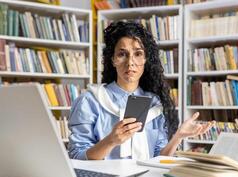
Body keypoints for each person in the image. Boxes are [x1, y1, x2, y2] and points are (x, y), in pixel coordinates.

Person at [68, 21, 213, 160]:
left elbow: (158, 158)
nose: (130, 62)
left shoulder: (153, 103)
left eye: (138, 54)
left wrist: (178, 137)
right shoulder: (90, 100)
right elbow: (77, 156)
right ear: (112, 59)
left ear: (145, 59)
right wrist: (110, 141)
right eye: (122, 54)